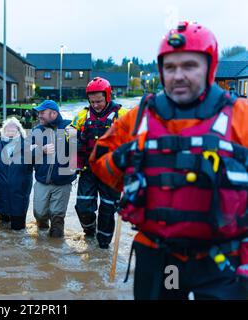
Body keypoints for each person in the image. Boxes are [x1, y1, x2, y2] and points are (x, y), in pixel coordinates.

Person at [89, 21, 248, 299]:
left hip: (223, 259)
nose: (178, 75)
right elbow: (99, 162)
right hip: (162, 257)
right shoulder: (140, 117)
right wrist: (126, 158)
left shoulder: (241, 117)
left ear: (209, 68)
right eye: (170, 67)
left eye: (189, 66)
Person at [68, 77, 129, 248]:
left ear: (108, 97)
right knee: (83, 207)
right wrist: (73, 139)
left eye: (99, 101)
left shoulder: (122, 115)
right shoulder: (82, 115)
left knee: (108, 210)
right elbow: (69, 131)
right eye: (92, 101)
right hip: (89, 170)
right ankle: (89, 230)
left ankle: (103, 246)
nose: (96, 105)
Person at [31, 100, 77, 238]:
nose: (39, 115)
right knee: (39, 213)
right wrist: (41, 150)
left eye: (42, 112)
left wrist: (76, 136)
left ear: (54, 113)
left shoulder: (70, 126)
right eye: (38, 112)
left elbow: (81, 150)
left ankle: (55, 250)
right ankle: (42, 245)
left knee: (57, 217)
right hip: (42, 180)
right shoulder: (36, 130)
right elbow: (27, 153)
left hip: (63, 182)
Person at [0, 117, 33, 230]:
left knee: (18, 231)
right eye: (8, 130)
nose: (11, 133)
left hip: (19, 197)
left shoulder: (28, 146)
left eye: (14, 130)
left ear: (19, 131)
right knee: (2, 231)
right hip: (0, 195)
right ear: (3, 131)